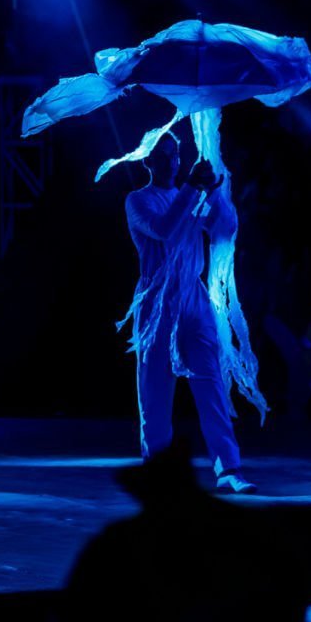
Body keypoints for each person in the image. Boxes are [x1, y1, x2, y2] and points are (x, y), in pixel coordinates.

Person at [122, 130, 256, 494]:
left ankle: (229, 469)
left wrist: (216, 192)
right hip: (156, 302)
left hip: (193, 300)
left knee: (211, 385)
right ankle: (158, 472)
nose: (171, 162)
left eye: (175, 156)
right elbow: (163, 229)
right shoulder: (137, 200)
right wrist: (195, 189)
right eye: (163, 156)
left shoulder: (190, 194)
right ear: (147, 161)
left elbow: (225, 229)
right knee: (155, 393)